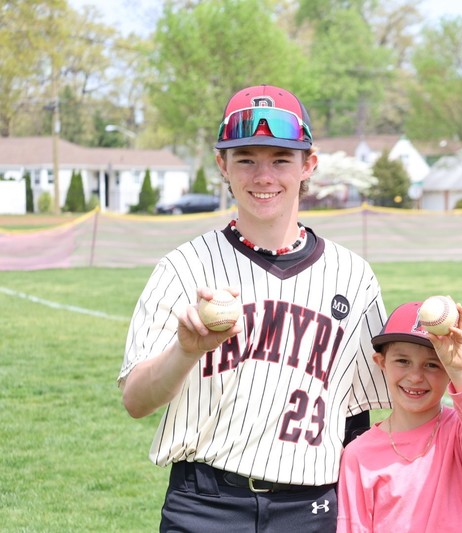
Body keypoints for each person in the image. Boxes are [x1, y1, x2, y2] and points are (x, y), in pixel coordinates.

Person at [118, 84, 391, 533]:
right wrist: (185, 351)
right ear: (222, 164)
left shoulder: (353, 276)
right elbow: (135, 401)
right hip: (204, 503)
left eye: (281, 159)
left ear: (309, 165)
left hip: (311, 506)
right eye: (246, 158)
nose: (264, 176)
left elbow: (357, 416)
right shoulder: (183, 268)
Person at [336, 300, 462, 533]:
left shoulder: (459, 431)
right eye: (402, 361)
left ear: (447, 371)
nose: (415, 376)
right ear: (381, 362)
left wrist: (460, 370)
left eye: (432, 365)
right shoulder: (358, 454)